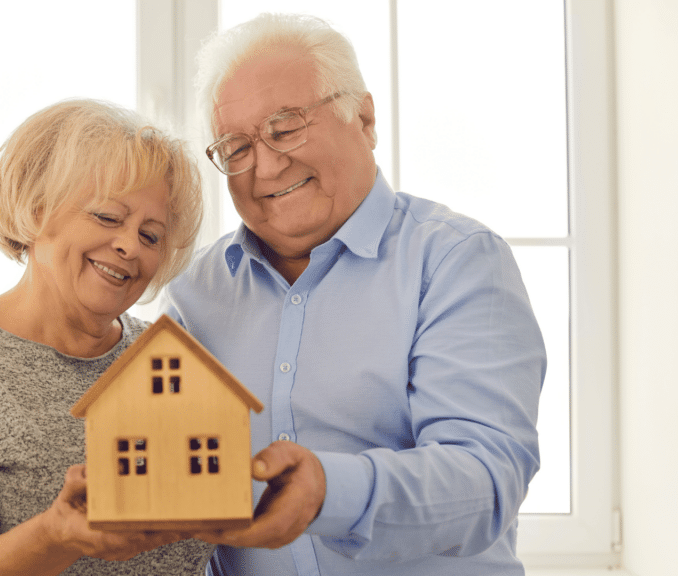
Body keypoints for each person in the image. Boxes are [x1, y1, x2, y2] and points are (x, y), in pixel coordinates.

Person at [161, 13, 546, 575]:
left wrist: (326, 492)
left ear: (363, 118)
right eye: (236, 148)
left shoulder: (455, 260)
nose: (266, 165)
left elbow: (484, 480)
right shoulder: (194, 294)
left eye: (285, 126)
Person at [0, 99, 214, 576]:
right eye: (108, 217)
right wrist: (53, 536)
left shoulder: (167, 360)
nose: (130, 246)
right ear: (35, 207)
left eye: (151, 236)